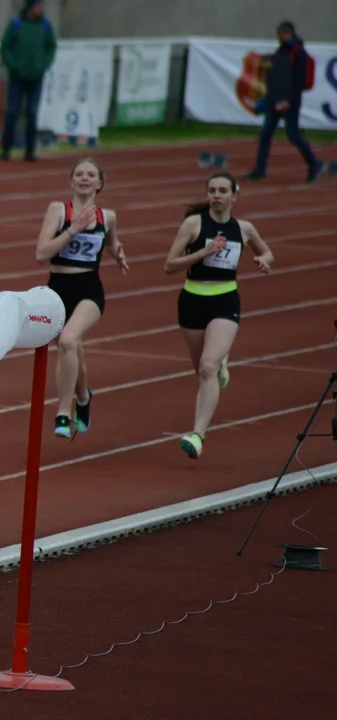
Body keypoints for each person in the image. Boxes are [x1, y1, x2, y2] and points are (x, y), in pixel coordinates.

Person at [163, 172, 274, 460]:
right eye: (212, 190)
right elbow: (170, 265)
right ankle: (221, 366)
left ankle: (198, 435)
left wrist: (263, 260)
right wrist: (204, 252)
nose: (216, 195)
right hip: (191, 299)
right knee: (200, 369)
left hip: (225, 300)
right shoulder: (194, 224)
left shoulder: (244, 229)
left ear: (233, 196)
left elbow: (267, 251)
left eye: (223, 190)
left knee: (207, 367)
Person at [35, 158, 128, 439]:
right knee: (73, 354)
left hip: (89, 289)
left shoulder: (107, 217)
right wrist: (72, 230)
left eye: (91, 175)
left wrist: (118, 253)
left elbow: (110, 242)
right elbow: (41, 254)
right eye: (79, 174)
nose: (84, 178)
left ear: (99, 184)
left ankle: (63, 413)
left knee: (67, 341)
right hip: (58, 287)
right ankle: (84, 398)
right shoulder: (58, 210)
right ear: (71, 181)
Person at [244, 21, 324, 184]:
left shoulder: (299, 54)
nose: (281, 37)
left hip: (289, 103)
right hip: (274, 100)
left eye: (284, 33)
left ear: (291, 34)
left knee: (293, 135)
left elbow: (299, 82)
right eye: (280, 33)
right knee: (265, 134)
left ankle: (314, 163)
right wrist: (267, 100)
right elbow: (274, 79)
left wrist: (287, 101)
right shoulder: (280, 53)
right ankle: (259, 170)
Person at [0, 0, 57, 162]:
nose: (41, 9)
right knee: (13, 112)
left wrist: (43, 64)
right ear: (30, 8)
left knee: (32, 113)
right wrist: (13, 65)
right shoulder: (16, 24)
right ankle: (6, 148)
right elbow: (5, 47)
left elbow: (51, 46)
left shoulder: (45, 26)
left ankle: (30, 150)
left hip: (36, 77)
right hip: (17, 77)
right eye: (38, 6)